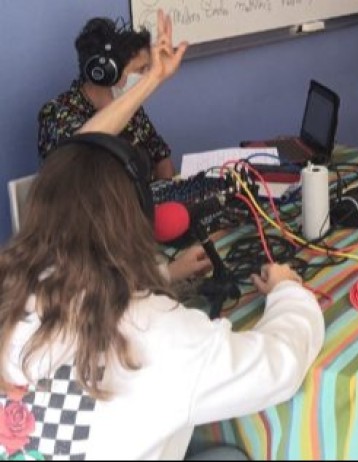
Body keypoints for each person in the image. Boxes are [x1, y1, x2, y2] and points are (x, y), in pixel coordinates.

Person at [0, 131, 325, 460]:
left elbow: (80, 292)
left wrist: (165, 274)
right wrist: (288, 292)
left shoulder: (8, 292)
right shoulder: (157, 333)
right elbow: (279, 367)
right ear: (138, 215)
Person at [37, 9, 186, 180]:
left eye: (148, 69)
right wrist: (154, 78)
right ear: (107, 73)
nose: (145, 75)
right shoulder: (56, 113)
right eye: (140, 70)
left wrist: (168, 189)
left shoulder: (132, 109)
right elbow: (81, 147)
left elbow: (161, 156)